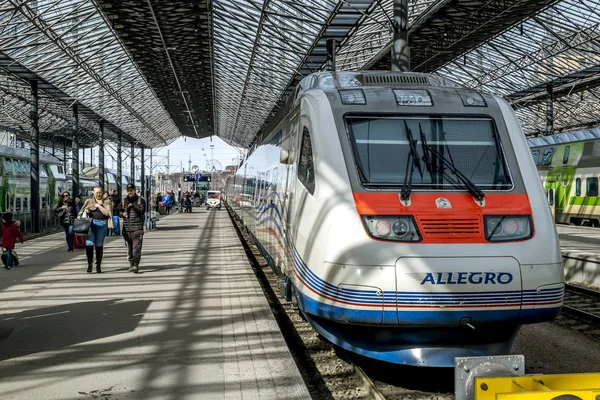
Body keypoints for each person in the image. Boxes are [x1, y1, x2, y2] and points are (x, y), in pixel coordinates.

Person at [81, 186, 113, 273]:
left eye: (100, 192)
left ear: (102, 192)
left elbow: (107, 213)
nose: (98, 194)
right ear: (93, 193)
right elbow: (82, 211)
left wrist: (99, 206)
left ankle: (98, 265)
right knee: (89, 244)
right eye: (96, 193)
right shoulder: (89, 201)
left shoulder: (107, 202)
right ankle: (89, 264)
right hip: (90, 224)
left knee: (99, 245)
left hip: (102, 225)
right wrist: (86, 211)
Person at [120, 183, 146, 273]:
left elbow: (142, 211)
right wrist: (122, 214)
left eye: (131, 190)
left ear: (135, 190)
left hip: (137, 227)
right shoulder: (124, 201)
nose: (129, 192)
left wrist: (133, 205)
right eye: (128, 191)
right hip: (127, 228)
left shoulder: (140, 200)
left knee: (136, 248)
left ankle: (136, 265)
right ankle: (131, 263)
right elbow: (119, 211)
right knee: (129, 248)